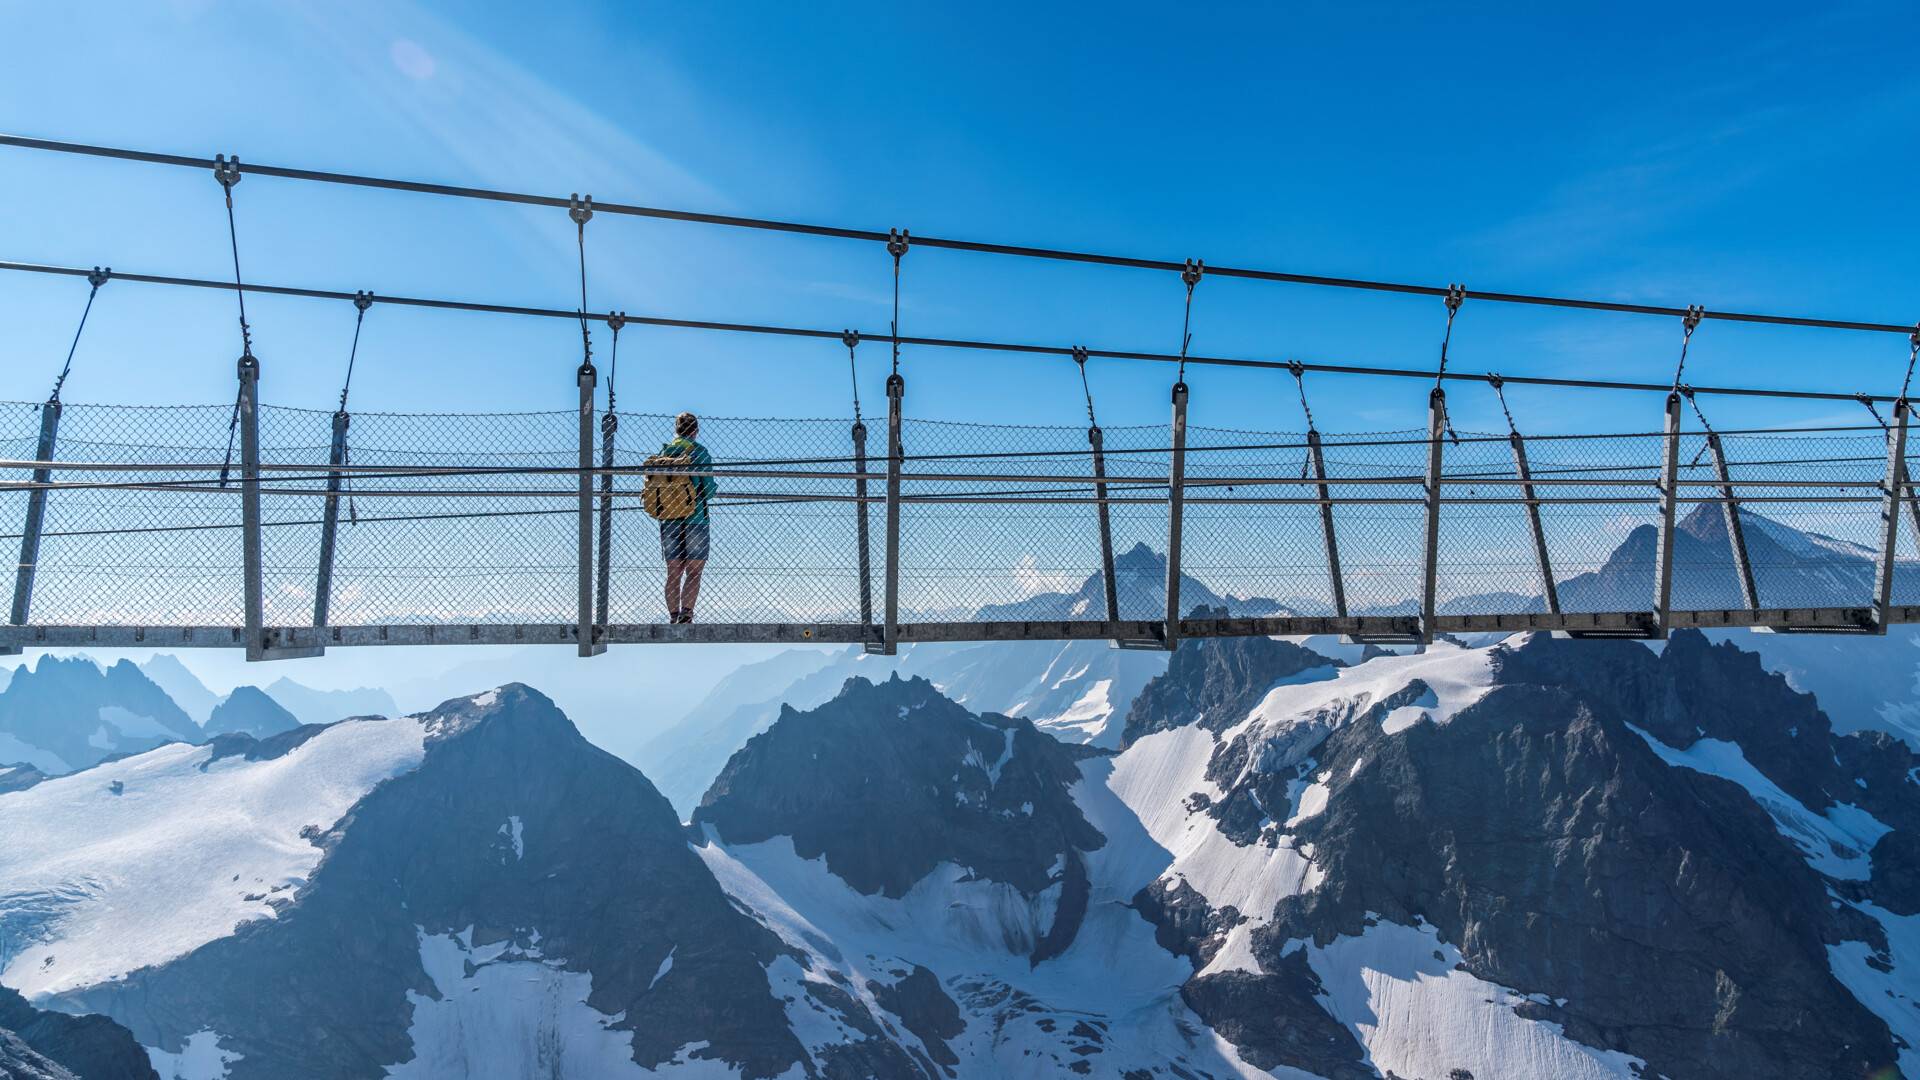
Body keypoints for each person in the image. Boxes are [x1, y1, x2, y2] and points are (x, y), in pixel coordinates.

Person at [660, 412, 716, 624]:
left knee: (673, 572)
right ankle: (686, 614)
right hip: (696, 519)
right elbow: (709, 490)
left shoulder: (665, 452)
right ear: (695, 431)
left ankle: (673, 616)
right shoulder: (700, 453)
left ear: (676, 430)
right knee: (694, 571)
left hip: (670, 520)